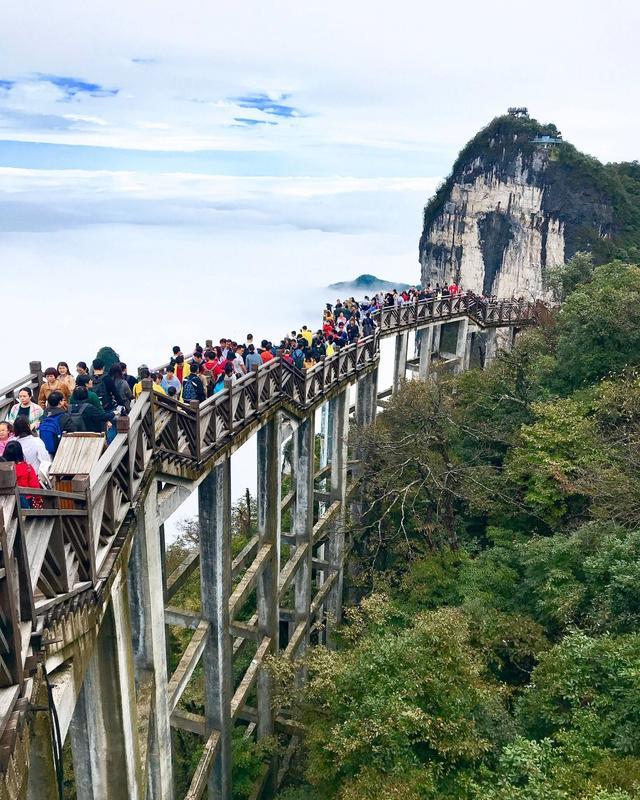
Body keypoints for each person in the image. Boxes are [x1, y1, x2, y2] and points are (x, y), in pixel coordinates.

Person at [3, 441, 42, 509]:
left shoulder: (3, 468)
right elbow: (35, 486)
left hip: (6, 502)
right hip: (25, 501)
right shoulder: (27, 468)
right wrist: (38, 499)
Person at [39, 390, 71, 456]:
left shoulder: (43, 417)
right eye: (63, 400)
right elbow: (72, 432)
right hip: (61, 450)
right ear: (60, 402)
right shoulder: (64, 417)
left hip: (45, 450)